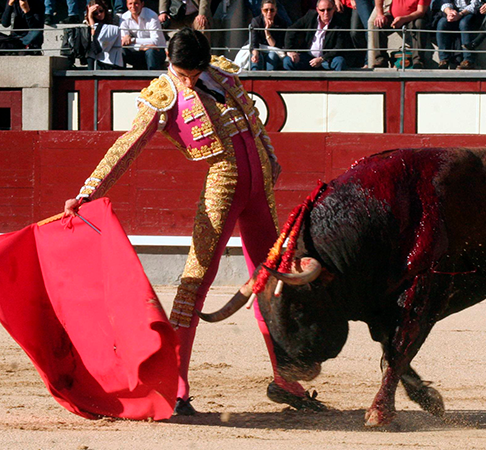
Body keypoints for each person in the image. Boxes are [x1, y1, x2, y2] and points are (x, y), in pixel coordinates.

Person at [63, 27, 323, 415]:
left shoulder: (219, 72)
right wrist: (89, 191)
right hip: (222, 188)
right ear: (171, 61)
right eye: (186, 73)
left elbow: (254, 125)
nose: (193, 79)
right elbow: (127, 146)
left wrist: (270, 157)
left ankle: (285, 379)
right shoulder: (163, 95)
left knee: (270, 283)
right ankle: (176, 388)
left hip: (258, 189)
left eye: (196, 71)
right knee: (194, 283)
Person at [283, 0, 350, 71]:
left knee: (339, 61)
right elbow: (291, 29)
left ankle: (337, 82)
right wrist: (290, 50)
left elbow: (339, 47)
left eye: (329, 9)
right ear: (317, 10)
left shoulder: (339, 23)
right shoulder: (310, 16)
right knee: (288, 61)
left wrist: (322, 58)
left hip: (328, 59)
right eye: (322, 10)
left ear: (334, 9)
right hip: (307, 58)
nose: (326, 13)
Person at [367, 0, 431, 68]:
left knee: (419, 24)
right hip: (393, 17)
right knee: (378, 24)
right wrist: (380, 14)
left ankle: (418, 61)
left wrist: (403, 19)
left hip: (413, 18)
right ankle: (381, 60)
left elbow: (420, 11)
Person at [431, 0, 482, 69]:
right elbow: (444, 2)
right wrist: (449, 12)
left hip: (468, 12)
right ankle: (443, 59)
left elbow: (475, 4)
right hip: (451, 11)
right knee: (442, 23)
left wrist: (461, 14)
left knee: (464, 23)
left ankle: (468, 59)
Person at [120, 0, 167, 70]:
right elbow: (125, 42)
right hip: (137, 51)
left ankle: (153, 78)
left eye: (136, 3)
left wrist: (133, 40)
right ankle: (121, 79)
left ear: (142, 4)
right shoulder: (123, 18)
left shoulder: (152, 16)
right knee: (121, 50)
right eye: (130, 4)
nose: (133, 6)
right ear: (127, 5)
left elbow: (155, 41)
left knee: (151, 51)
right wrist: (141, 47)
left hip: (156, 52)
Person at [250, 0, 288, 70]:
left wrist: (267, 31)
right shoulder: (256, 21)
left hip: (273, 50)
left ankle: (270, 78)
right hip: (259, 48)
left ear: (276, 11)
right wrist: (255, 54)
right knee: (257, 57)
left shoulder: (281, 23)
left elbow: (275, 46)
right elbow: (254, 42)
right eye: (266, 10)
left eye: (272, 10)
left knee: (272, 55)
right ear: (262, 11)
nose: (269, 12)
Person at [86, 0, 124, 69]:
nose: (99, 14)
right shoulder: (89, 20)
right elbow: (93, 35)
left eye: (101, 11)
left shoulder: (114, 19)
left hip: (112, 59)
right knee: (90, 55)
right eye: (95, 13)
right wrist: (90, 17)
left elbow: (97, 36)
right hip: (98, 57)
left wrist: (91, 19)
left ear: (104, 9)